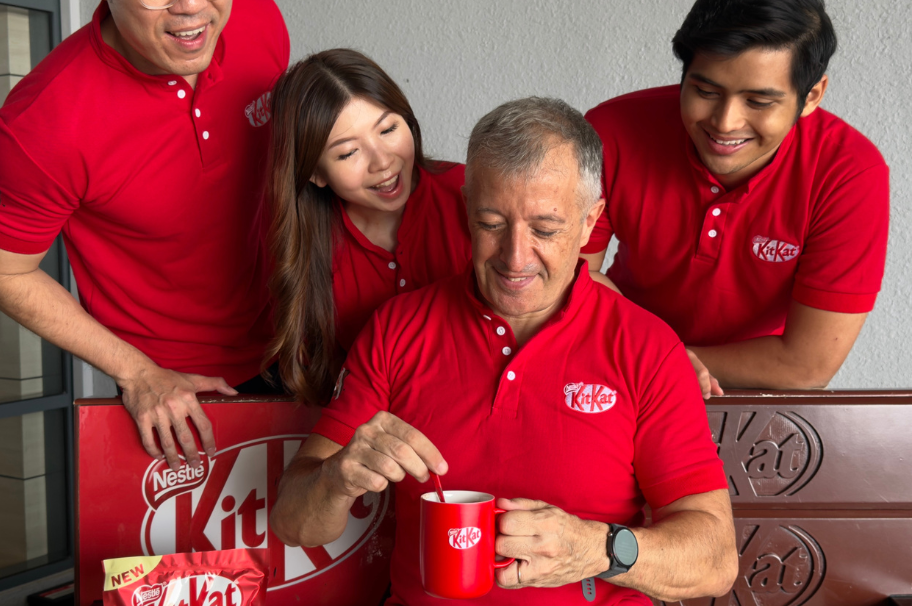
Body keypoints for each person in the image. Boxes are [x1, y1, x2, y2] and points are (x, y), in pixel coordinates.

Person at [270, 97, 737, 605]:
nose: (515, 257)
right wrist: (337, 478)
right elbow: (294, 522)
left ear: (589, 221)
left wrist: (598, 549)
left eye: (545, 229)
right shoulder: (397, 329)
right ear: (466, 209)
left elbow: (715, 561)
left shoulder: (646, 347)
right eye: (492, 224)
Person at [0, 0, 289, 472]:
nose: (193, 6)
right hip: (177, 393)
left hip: (302, 343)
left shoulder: (261, 20)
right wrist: (136, 372)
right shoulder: (43, 124)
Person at [581, 0, 889, 396]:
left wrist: (668, 360)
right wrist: (656, 356)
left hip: (756, 393)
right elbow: (566, 275)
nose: (724, 123)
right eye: (705, 91)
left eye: (759, 101)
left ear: (812, 96)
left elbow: (807, 366)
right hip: (616, 364)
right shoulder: (610, 131)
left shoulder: (850, 173)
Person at [265, 49, 470, 406]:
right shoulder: (301, 247)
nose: (383, 161)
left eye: (389, 129)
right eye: (348, 153)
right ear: (314, 173)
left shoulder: (471, 195)